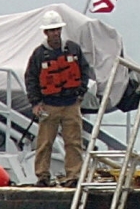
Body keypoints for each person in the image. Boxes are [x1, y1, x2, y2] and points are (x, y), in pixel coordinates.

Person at [24, 10, 91, 187]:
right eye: (52, 30)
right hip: (49, 105)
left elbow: (85, 71)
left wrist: (80, 93)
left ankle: (74, 176)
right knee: (45, 143)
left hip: (71, 104)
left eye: (57, 29)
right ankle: (42, 176)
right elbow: (31, 79)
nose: (55, 33)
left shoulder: (73, 49)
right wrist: (36, 103)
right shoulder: (38, 55)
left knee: (74, 142)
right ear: (45, 32)